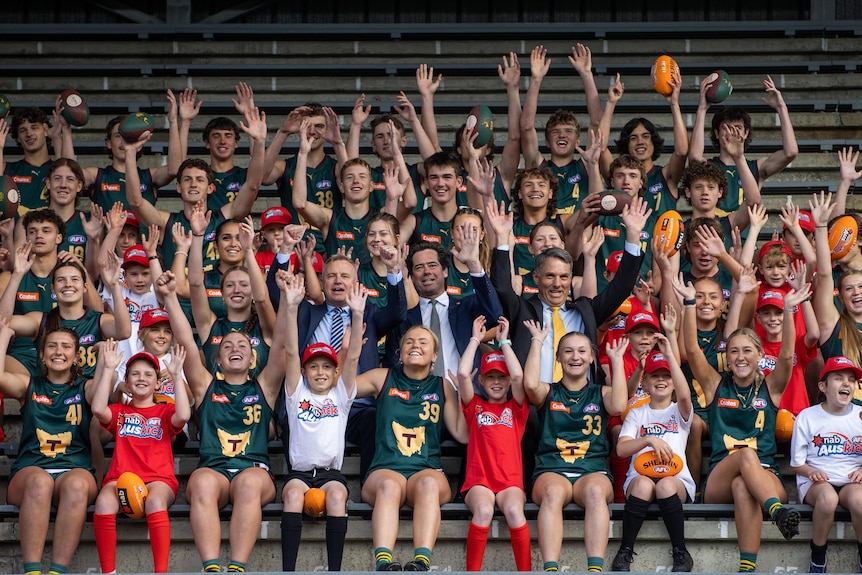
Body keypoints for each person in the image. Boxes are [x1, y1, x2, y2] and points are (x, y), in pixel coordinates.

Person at [675, 274, 811, 572]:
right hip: (718, 481)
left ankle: (747, 567)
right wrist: (688, 303)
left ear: (760, 356)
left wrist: (790, 310)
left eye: (747, 350)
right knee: (743, 460)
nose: (739, 357)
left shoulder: (771, 387)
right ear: (726, 356)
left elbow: (787, 354)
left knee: (743, 487)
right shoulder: (714, 385)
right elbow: (694, 350)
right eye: (733, 351)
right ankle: (776, 512)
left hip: (766, 476)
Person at [156, 268, 288, 573]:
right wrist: (170, 299)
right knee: (200, 482)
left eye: (243, 345)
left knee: (248, 485)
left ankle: (237, 567)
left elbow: (281, 346)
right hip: (213, 470)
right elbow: (187, 344)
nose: (235, 349)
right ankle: (212, 567)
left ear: (254, 358)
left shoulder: (264, 387)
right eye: (227, 346)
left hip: (253, 470)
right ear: (218, 359)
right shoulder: (204, 386)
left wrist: (290, 304)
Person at [355, 324, 465, 571]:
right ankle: (384, 562)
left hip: (426, 470)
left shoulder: (443, 386)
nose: (416, 345)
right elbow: (340, 391)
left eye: (423, 342)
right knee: (390, 486)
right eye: (409, 341)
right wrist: (351, 353)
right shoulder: (382, 377)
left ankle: (421, 561)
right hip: (385, 468)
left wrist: (464, 393)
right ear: (399, 352)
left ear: (435, 355)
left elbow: (462, 434)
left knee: (428, 485)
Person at [522, 320, 628, 572]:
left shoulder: (601, 392)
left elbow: (619, 406)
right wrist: (537, 342)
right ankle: (550, 568)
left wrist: (617, 361)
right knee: (553, 494)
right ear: (558, 358)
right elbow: (529, 385)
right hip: (552, 469)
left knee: (595, 494)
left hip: (591, 470)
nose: (575, 357)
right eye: (568, 351)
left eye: (582, 351)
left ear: (592, 357)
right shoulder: (548, 392)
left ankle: (594, 569)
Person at [0, 319, 100, 575]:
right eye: (52, 346)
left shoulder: (85, 385)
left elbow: (100, 402)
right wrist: (4, 335)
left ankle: (58, 571)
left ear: (77, 356)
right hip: (31, 470)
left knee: (76, 485)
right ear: (42, 355)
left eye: (66, 347)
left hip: (74, 469)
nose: (58, 351)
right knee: (40, 482)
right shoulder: (29, 384)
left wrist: (108, 367)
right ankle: (32, 571)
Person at [280, 277, 364, 572]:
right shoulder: (296, 392)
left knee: (338, 496)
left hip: (330, 474)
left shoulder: (341, 395)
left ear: (334, 371)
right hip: (300, 473)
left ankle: (334, 571)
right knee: (291, 494)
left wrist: (357, 313)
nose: (320, 372)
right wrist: (291, 308)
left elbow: (352, 357)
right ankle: (288, 569)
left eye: (326, 367)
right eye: (313, 366)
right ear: (304, 371)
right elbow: (290, 352)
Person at [125, 106, 266, 273]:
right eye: (187, 179)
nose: (193, 184)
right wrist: (130, 152)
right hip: (179, 297)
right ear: (178, 187)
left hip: (216, 295)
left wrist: (259, 143)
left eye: (200, 180)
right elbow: (135, 201)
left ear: (210, 188)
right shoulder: (167, 222)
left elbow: (252, 185)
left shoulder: (222, 218)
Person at [91, 341, 190, 574]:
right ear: (127, 381)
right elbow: (97, 409)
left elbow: (184, 415)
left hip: (159, 479)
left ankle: (160, 571)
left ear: (157, 383)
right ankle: (108, 571)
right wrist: (107, 371)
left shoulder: (164, 411)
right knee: (104, 502)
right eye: (135, 373)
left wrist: (176, 377)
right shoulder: (120, 411)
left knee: (155, 501)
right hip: (120, 478)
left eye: (148, 374)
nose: (141, 378)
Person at [611, 340, 695, 572]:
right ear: (645, 384)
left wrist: (669, 354)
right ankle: (625, 551)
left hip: (676, 478)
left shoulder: (679, 410)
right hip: (640, 477)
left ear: (674, 383)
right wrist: (648, 439)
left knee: (665, 486)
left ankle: (681, 552)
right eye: (655, 376)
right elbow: (621, 449)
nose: (661, 380)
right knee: (642, 485)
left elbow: (686, 396)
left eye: (666, 376)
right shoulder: (637, 414)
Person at [456, 316, 531, 571]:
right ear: (482, 382)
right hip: (479, 480)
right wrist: (476, 340)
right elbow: (463, 373)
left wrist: (504, 343)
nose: (497, 382)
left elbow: (519, 376)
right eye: (490, 377)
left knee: (513, 511)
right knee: (485, 512)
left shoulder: (516, 408)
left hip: (510, 480)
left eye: (501, 377)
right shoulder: (474, 406)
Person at [0, 246, 131, 379]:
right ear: (53, 289)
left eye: (74, 279)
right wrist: (16, 276)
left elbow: (124, 332)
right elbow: (3, 321)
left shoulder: (99, 320)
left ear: (85, 287)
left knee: (112, 377)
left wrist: (114, 286)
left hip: (88, 394)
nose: (68, 284)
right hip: (48, 395)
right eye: (61, 280)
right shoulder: (40, 320)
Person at [790, 356, 862, 573]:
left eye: (851, 379)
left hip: (851, 480)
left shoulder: (860, 415)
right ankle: (818, 555)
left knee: (860, 501)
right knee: (828, 499)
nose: (846, 384)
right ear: (823, 386)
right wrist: (811, 471)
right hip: (816, 480)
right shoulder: (808, 416)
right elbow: (796, 463)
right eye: (838, 378)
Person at [73, 89, 198, 213]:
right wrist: (65, 130)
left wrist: (177, 122)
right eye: (118, 136)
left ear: (140, 144)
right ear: (109, 143)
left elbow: (176, 168)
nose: (124, 142)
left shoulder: (150, 177)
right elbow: (70, 172)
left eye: (128, 138)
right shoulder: (97, 176)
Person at [689, 75, 797, 214]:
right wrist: (702, 109)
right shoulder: (710, 167)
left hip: (747, 235)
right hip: (715, 233)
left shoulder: (756, 167)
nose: (732, 132)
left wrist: (782, 109)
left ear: (746, 133)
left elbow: (791, 152)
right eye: (726, 127)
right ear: (717, 133)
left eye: (738, 128)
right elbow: (694, 156)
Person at [187, 212, 276, 379]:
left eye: (244, 285)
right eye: (229, 285)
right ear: (222, 294)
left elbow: (263, 299)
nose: (236, 289)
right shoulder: (210, 326)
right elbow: (195, 284)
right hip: (217, 403)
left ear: (253, 293)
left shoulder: (265, 328)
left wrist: (249, 250)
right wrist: (198, 236)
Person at [519, 44, 603, 221]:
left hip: (578, 236)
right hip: (547, 240)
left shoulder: (587, 164)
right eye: (556, 132)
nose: (562, 135)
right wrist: (536, 79)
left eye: (568, 131)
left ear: (578, 140)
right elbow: (526, 128)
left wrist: (587, 74)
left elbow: (596, 121)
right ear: (547, 142)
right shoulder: (538, 166)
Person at [263, 102, 348, 253]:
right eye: (306, 126)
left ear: (327, 129)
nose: (312, 131)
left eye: (319, 126)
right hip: (294, 248)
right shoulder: (285, 166)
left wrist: (337, 143)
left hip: (330, 246)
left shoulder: (335, 167)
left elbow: (349, 185)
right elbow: (263, 177)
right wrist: (283, 132)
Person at [1, 106, 63, 214]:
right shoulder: (7, 169)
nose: (29, 134)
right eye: (22, 130)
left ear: (45, 130)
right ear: (17, 138)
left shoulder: (58, 170)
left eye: (34, 127)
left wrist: (57, 138)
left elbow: (68, 169)